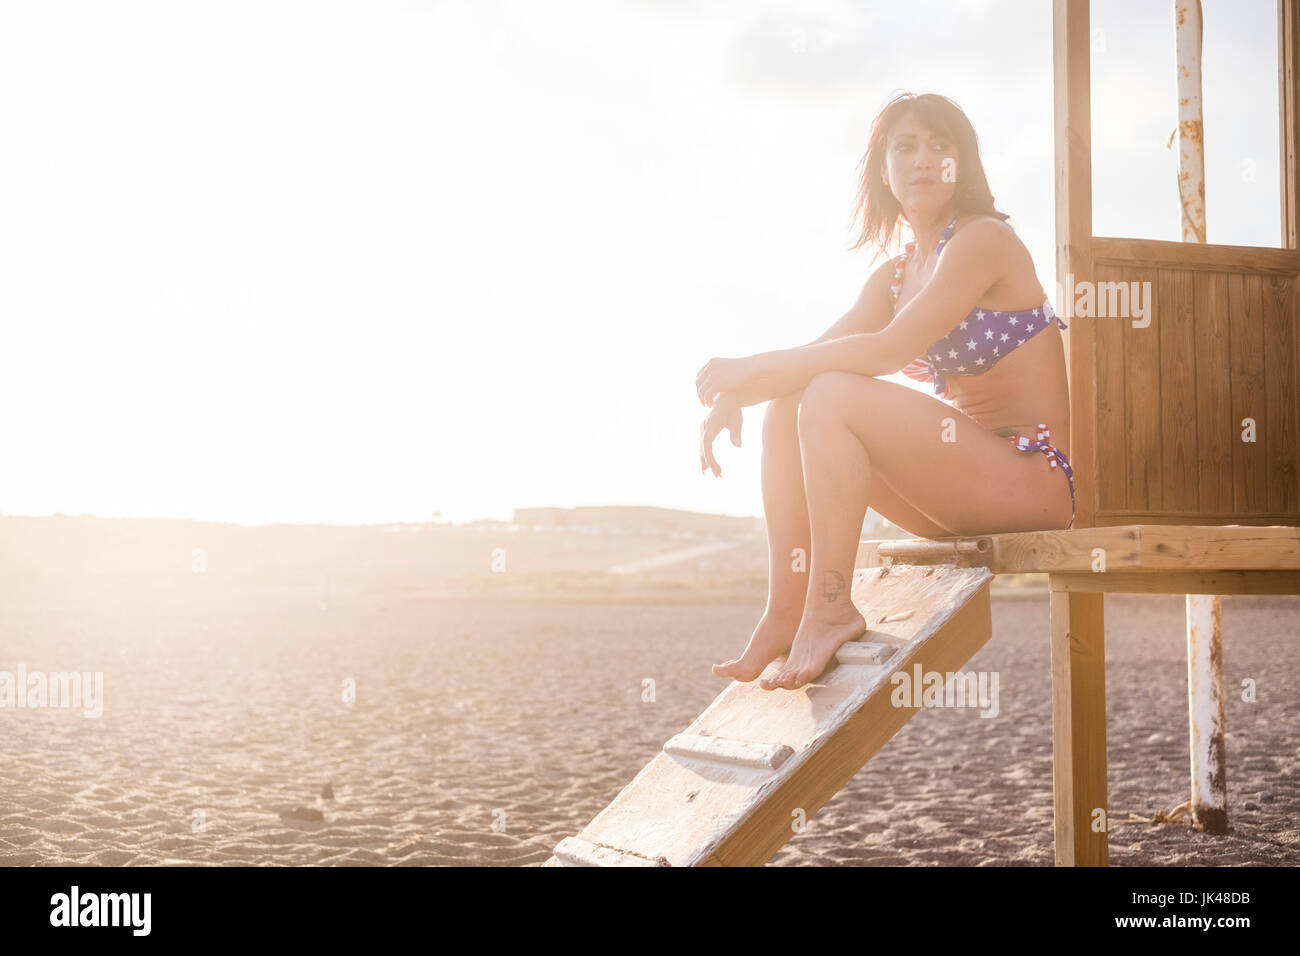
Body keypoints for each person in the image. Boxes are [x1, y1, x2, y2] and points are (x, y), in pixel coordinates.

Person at [696, 91, 1074, 692]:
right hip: (962, 488)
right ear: (884, 168)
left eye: (940, 146)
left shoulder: (982, 242)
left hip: (1035, 481)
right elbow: (812, 356)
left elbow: (888, 351)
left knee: (832, 396)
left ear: (962, 164)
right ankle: (787, 609)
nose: (923, 159)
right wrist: (739, 394)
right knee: (790, 404)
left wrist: (749, 366)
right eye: (905, 147)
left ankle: (830, 608)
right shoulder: (896, 275)